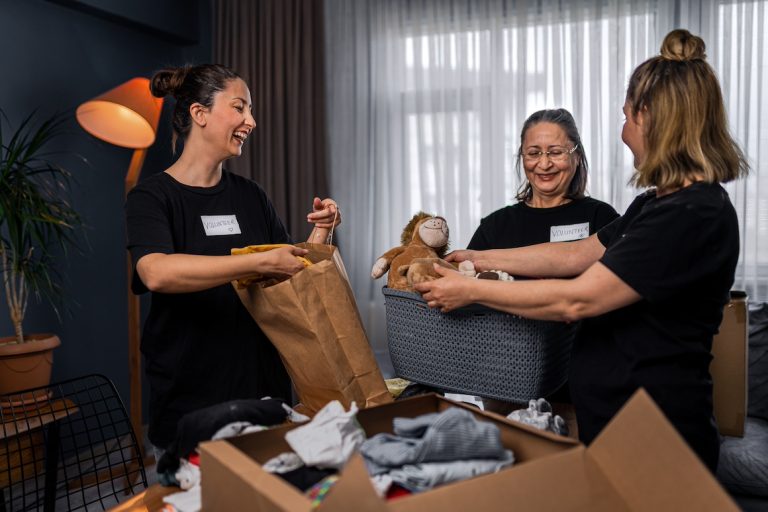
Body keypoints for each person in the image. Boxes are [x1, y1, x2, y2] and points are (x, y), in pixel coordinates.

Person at [414, 29, 748, 472]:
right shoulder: (657, 202)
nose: (624, 132)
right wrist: (476, 260)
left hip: (657, 432)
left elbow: (578, 297)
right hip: (619, 421)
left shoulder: (692, 214)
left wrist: (470, 291)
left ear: (653, 120)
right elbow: (577, 254)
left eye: (627, 117)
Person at [125, 64, 341, 453]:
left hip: (262, 393)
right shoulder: (152, 196)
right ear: (199, 114)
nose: (251, 121)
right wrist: (255, 262)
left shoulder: (251, 195)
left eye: (250, 110)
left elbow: (289, 275)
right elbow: (156, 272)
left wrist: (321, 233)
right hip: (190, 401)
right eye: (240, 108)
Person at [467, 108, 618, 255]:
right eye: (533, 153)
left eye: (556, 152)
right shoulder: (495, 226)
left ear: (577, 156)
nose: (544, 164)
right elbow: (462, 276)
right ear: (522, 157)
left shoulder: (602, 218)